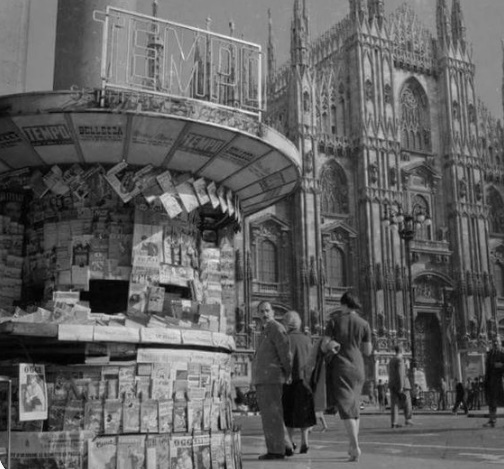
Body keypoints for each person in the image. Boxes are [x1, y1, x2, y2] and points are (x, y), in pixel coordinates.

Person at [321, 291, 372, 462]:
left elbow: (323, 346)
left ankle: (355, 445)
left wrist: (332, 344)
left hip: (341, 366)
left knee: (346, 408)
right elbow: (368, 351)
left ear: (343, 304)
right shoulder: (364, 324)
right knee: (354, 407)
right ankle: (352, 448)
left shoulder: (334, 321)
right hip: (358, 367)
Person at [251, 301, 292, 460]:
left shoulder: (276, 328)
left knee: (271, 416)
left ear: (273, 312)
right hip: (264, 378)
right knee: (273, 414)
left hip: (271, 378)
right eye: (261, 311)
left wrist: (288, 373)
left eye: (267, 311)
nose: (264, 314)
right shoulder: (264, 330)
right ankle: (286, 445)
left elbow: (285, 353)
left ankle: (276, 451)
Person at [282, 311, 316, 454]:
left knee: (288, 412)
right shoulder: (307, 339)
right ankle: (305, 442)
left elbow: (285, 359)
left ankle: (289, 443)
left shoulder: (286, 339)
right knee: (304, 413)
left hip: (289, 380)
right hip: (305, 381)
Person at [388, 345, 413, 428]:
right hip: (403, 385)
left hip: (392, 384)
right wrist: (401, 386)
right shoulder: (400, 360)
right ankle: (408, 419)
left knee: (394, 404)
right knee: (407, 403)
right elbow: (401, 374)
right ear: (401, 350)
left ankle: (394, 422)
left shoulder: (391, 360)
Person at [307, 336, 329, 432]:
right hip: (319, 385)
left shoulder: (322, 360)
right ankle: (324, 426)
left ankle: (310, 426)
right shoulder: (321, 359)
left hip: (319, 386)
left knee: (316, 407)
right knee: (317, 408)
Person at [483, 337, 504, 427]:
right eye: (494, 342)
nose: (495, 343)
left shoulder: (502, 353)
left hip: (500, 381)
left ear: (500, 343)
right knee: (492, 402)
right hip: (491, 381)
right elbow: (487, 368)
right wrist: (485, 381)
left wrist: (502, 365)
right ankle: (492, 420)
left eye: (497, 342)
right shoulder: (490, 354)